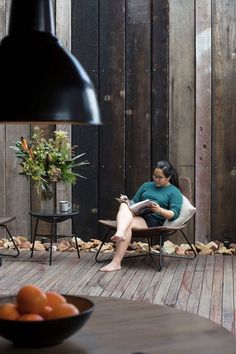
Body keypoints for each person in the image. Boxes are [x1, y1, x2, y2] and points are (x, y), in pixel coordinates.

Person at [100, 160, 183, 272]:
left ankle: (116, 262)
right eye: (154, 176)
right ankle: (120, 233)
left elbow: (174, 214)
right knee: (124, 205)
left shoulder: (174, 192)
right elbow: (134, 201)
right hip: (135, 214)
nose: (156, 179)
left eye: (160, 177)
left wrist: (159, 210)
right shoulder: (146, 186)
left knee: (127, 225)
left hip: (151, 221)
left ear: (168, 177)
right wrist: (127, 200)